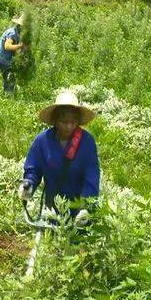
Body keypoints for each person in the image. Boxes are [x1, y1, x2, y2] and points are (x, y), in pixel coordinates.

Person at [19, 90, 100, 226]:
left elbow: (91, 176)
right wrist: (28, 185)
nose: (69, 127)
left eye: (73, 122)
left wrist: (86, 206)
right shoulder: (43, 141)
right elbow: (34, 170)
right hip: (52, 209)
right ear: (55, 121)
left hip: (79, 212)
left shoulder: (86, 142)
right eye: (64, 122)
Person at [0, 15, 26, 94]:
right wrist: (20, 46)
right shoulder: (12, 33)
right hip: (3, 59)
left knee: (10, 76)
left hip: (6, 58)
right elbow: (7, 46)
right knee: (10, 77)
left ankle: (9, 92)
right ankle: (8, 95)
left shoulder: (18, 33)